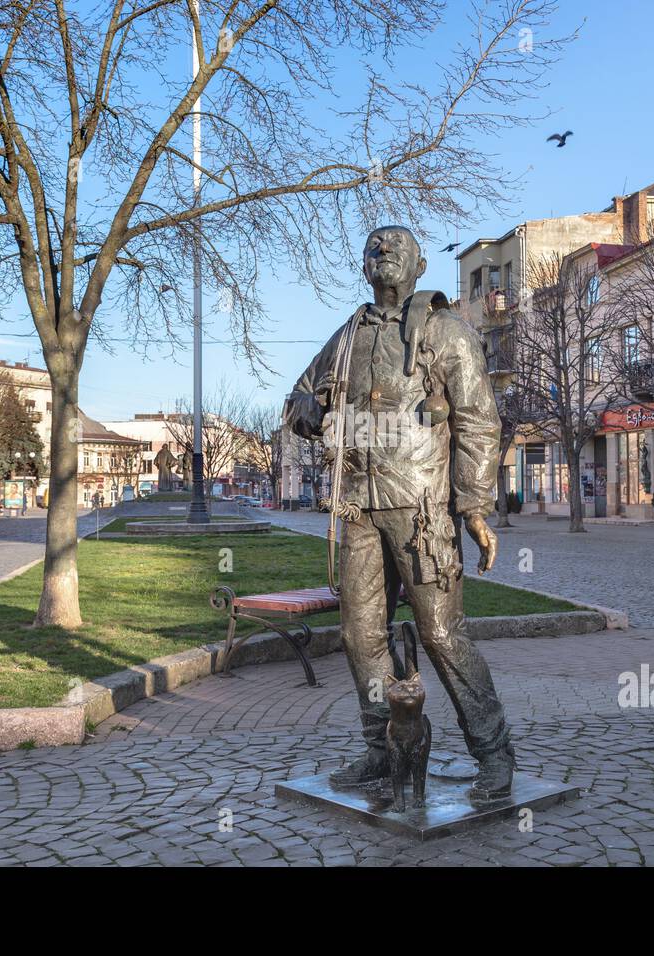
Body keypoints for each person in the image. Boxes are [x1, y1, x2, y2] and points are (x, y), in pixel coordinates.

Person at [284, 224, 515, 803]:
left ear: (418, 266)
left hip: (422, 511)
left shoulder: (445, 330)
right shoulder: (347, 337)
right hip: (357, 508)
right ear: (364, 265)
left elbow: (479, 423)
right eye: (373, 246)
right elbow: (297, 398)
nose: (383, 252)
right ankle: (383, 747)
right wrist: (308, 410)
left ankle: (493, 752)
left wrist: (475, 506)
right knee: (361, 635)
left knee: (440, 633)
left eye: (397, 247)